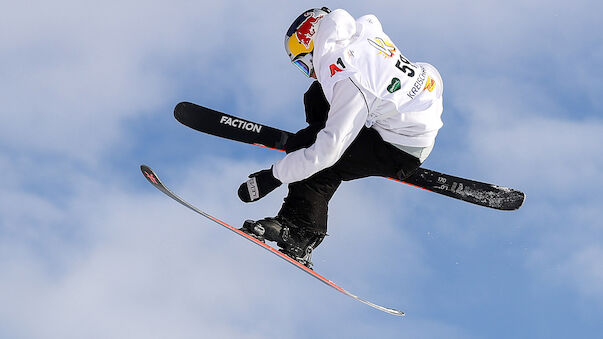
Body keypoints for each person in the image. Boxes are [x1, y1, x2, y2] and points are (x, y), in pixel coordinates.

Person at [237, 7, 444, 268]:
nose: (310, 72)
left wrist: (274, 176)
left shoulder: (350, 81)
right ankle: (334, 131)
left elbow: (326, 152)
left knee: (315, 154)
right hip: (412, 109)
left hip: (400, 146)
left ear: (312, 48)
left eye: (304, 64)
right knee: (316, 95)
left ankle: (300, 232)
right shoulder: (359, 31)